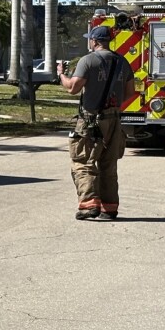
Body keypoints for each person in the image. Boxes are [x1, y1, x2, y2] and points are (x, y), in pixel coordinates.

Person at [58, 25, 136, 221]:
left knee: (83, 162)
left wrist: (61, 74)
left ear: (94, 41)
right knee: (108, 164)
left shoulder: (88, 60)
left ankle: (88, 205)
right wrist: (115, 108)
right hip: (114, 121)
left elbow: (73, 88)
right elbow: (130, 92)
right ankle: (109, 209)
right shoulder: (122, 62)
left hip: (91, 121)